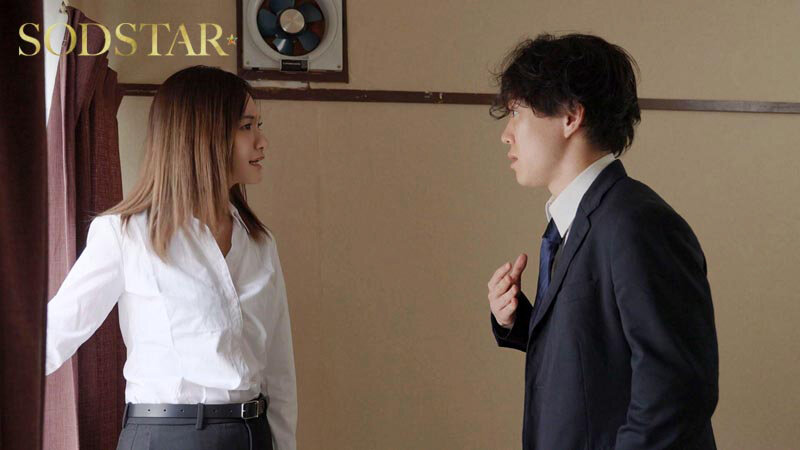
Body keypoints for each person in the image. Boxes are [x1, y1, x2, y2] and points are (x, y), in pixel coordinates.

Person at [45, 65, 296, 450]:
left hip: (252, 434)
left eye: (257, 126)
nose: (262, 142)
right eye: (247, 127)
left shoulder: (260, 243)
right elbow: (54, 335)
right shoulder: (126, 235)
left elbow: (279, 370)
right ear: (202, 135)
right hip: (166, 435)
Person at [486, 34, 718, 449]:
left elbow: (677, 391)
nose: (506, 134)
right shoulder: (580, 220)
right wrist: (520, 322)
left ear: (570, 116)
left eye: (517, 112)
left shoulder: (638, 223)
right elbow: (600, 356)